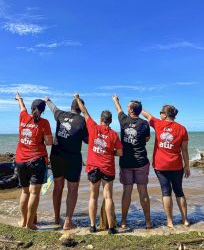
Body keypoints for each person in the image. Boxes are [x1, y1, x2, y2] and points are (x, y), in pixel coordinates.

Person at [74, 94, 123, 234]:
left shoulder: (93, 127)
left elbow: (84, 111)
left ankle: (92, 226)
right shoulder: (114, 134)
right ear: (110, 121)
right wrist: (110, 152)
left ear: (101, 120)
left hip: (94, 167)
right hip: (107, 168)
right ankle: (111, 227)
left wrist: (77, 98)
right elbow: (120, 153)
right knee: (108, 197)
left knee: (93, 197)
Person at [142, 105, 190, 228]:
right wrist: (187, 166)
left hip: (160, 165)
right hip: (177, 165)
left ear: (165, 114)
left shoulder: (158, 124)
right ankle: (185, 220)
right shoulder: (182, 129)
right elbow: (184, 150)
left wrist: (138, 107)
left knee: (166, 192)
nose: (159, 115)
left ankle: (169, 221)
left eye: (161, 112)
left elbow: (147, 115)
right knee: (179, 192)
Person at [44, 96, 88, 230]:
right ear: (81, 108)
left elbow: (53, 108)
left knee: (58, 186)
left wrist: (48, 100)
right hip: (73, 158)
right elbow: (87, 140)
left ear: (71, 106)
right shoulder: (82, 120)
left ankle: (57, 218)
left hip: (56, 156)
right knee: (72, 188)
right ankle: (68, 221)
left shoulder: (61, 114)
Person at [112, 95, 152, 229]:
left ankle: (123, 221)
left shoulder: (123, 120)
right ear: (140, 111)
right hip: (141, 161)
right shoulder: (144, 123)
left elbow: (118, 109)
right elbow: (147, 139)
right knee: (143, 192)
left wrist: (115, 100)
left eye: (128, 107)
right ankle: (148, 222)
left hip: (126, 163)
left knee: (126, 192)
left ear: (130, 110)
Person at [15, 92, 53, 229]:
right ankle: (30, 224)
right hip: (36, 160)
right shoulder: (44, 123)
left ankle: (23, 221)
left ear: (31, 108)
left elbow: (21, 107)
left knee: (25, 192)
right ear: (42, 111)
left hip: (20, 160)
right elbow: (49, 142)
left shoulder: (23, 116)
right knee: (34, 193)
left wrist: (19, 99)